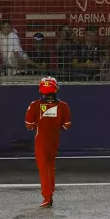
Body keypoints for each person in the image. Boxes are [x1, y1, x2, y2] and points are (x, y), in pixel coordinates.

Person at [24, 77, 71, 208]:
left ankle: (47, 196)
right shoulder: (63, 106)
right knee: (51, 166)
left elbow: (28, 125)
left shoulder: (34, 105)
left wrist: (38, 125)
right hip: (54, 140)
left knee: (44, 169)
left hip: (41, 140)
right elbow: (67, 125)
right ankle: (51, 191)